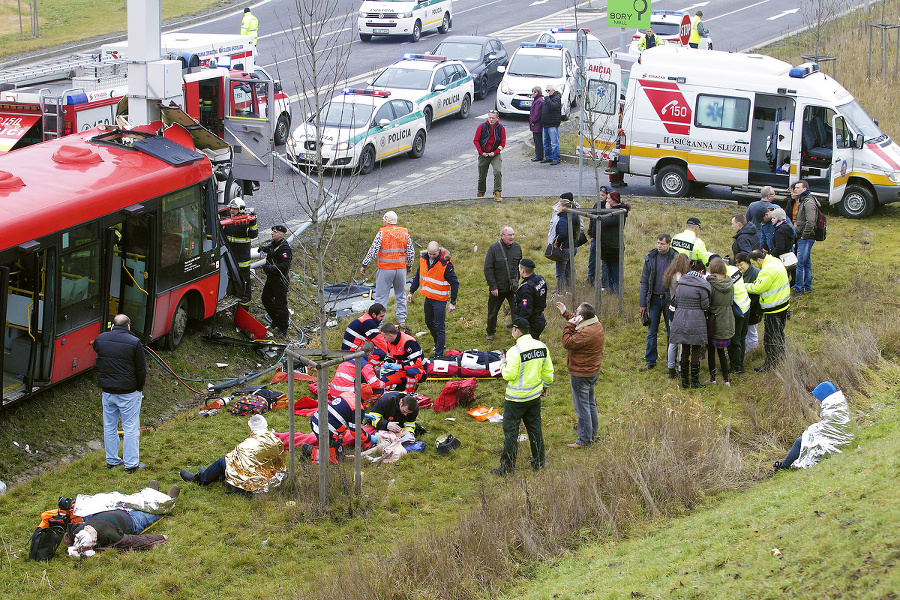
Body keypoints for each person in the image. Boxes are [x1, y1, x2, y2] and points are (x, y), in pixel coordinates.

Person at [492, 318, 554, 475]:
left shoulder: (514, 351)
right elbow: (548, 373)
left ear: (517, 330)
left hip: (515, 401)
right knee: (535, 431)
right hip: (534, 398)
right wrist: (545, 387)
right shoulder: (542, 346)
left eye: (512, 329)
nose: (511, 331)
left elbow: (509, 375)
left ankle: (507, 469)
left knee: (511, 433)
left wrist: (502, 364)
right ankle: (539, 463)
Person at [92, 314, 146, 473]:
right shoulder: (134, 342)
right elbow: (141, 369)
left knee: (109, 426)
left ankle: (112, 460)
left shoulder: (101, 339)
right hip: (128, 392)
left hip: (107, 391)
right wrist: (139, 388)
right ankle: (131, 464)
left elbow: (97, 349)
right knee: (130, 427)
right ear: (128, 326)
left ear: (112, 326)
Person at [180, 415, 285, 496]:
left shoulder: (248, 443)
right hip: (270, 485)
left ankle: (201, 479)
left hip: (245, 488)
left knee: (222, 462)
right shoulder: (276, 441)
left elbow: (231, 461)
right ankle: (218, 476)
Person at [65, 482, 179, 555]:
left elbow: (68, 532)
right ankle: (168, 500)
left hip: (113, 509)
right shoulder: (109, 534)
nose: (88, 528)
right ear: (95, 538)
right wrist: (159, 537)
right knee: (151, 513)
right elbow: (134, 542)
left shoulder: (77, 530)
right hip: (133, 521)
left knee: (132, 501)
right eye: (91, 532)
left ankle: (151, 493)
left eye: (86, 529)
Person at [773, 381, 856, 472]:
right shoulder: (840, 406)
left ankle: (784, 467)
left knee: (800, 441)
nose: (817, 401)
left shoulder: (831, 411)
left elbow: (825, 430)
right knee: (806, 438)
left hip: (838, 444)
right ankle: (786, 464)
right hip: (848, 441)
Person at [556, 302, 604, 449]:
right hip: (591, 372)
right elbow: (579, 321)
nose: (574, 315)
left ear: (582, 317)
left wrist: (569, 325)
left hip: (581, 374)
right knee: (590, 405)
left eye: (576, 312)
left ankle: (584, 440)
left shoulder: (584, 334)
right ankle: (592, 434)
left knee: (582, 408)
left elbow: (566, 342)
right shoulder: (595, 324)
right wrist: (566, 313)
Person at [360, 211, 415, 329]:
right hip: (400, 269)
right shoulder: (404, 233)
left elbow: (373, 251)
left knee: (381, 297)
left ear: (386, 221)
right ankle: (402, 321)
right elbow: (410, 252)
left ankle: (378, 322)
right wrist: (409, 266)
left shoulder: (382, 233)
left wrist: (365, 265)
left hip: (385, 269)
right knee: (401, 295)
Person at [407, 241, 459, 356]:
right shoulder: (423, 260)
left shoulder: (446, 264)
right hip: (429, 298)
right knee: (429, 322)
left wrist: (453, 302)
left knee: (440, 326)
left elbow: (455, 283)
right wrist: (411, 291)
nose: (431, 256)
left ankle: (439, 354)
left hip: (440, 300)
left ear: (439, 251)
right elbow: (418, 276)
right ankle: (439, 344)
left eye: (434, 254)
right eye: (430, 254)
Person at [746, 249, 791, 372]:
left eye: (754, 263)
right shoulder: (775, 261)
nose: (754, 266)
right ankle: (781, 359)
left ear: (759, 260)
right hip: (783, 305)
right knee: (779, 334)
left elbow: (756, 288)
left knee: (770, 339)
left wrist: (744, 286)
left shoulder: (767, 271)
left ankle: (771, 365)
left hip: (773, 309)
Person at [669, 259, 711, 389]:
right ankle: (694, 381)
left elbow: (676, 300)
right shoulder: (702, 285)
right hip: (696, 319)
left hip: (680, 317)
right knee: (696, 351)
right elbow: (705, 305)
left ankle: (684, 381)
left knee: (685, 349)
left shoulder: (681, 283)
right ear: (701, 271)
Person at [639, 233, 677, 371]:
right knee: (651, 332)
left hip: (669, 301)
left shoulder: (675, 258)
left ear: (669, 244)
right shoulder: (651, 258)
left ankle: (671, 361)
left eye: (662, 243)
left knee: (671, 332)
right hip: (654, 299)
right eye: (658, 243)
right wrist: (642, 303)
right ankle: (650, 360)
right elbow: (644, 281)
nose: (659, 246)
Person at [484, 225, 522, 341]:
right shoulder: (493, 248)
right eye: (509, 235)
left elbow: (520, 266)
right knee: (493, 312)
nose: (512, 237)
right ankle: (490, 332)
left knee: (516, 311)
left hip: (513, 288)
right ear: (502, 236)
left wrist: (518, 281)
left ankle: (516, 332)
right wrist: (493, 286)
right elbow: (488, 268)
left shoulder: (517, 247)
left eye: (513, 234)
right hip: (498, 288)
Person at [221, 198, 257, 306]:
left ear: (241, 209)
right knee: (231, 282)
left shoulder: (245, 222)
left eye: (234, 209)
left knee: (244, 283)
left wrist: (253, 222)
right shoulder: (228, 222)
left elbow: (253, 234)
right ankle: (233, 303)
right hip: (230, 258)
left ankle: (245, 305)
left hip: (242, 261)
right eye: (231, 208)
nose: (232, 210)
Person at [705, 257, 735, 386]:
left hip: (714, 319)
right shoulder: (730, 282)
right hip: (727, 318)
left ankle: (713, 378)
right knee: (722, 351)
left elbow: (708, 302)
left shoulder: (710, 283)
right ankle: (726, 379)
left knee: (712, 350)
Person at [259, 224, 292, 338]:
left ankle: (283, 328)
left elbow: (285, 265)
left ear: (282, 234)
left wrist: (271, 268)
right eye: (272, 231)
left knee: (280, 304)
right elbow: (270, 249)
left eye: (275, 232)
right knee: (266, 299)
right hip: (271, 279)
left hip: (280, 280)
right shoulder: (274, 244)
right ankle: (276, 320)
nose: (272, 233)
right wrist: (263, 249)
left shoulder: (284, 248)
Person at [662, 253, 691, 379]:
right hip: (683, 309)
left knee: (673, 341)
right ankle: (681, 367)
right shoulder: (686, 277)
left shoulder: (670, 275)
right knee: (683, 341)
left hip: (672, 309)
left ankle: (670, 368)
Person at [378, 322, 426, 394]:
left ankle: (409, 393)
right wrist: (387, 362)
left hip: (419, 370)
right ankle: (404, 387)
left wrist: (400, 366)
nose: (384, 339)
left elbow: (417, 363)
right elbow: (390, 356)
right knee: (383, 382)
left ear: (391, 335)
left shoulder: (408, 342)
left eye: (385, 337)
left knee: (411, 373)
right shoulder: (390, 342)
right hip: (401, 370)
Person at [598, 190, 630, 294]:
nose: (606, 200)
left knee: (615, 271)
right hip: (607, 246)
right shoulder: (614, 211)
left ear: (614, 200)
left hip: (614, 247)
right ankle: (611, 290)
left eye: (608, 198)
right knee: (609, 270)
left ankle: (616, 291)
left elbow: (605, 222)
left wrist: (607, 210)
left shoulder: (619, 212)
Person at [791, 180, 818, 295]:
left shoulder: (808, 202)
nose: (795, 189)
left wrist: (803, 235)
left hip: (806, 238)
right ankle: (807, 286)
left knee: (800, 263)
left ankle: (798, 287)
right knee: (807, 262)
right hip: (804, 237)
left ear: (805, 188)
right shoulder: (804, 201)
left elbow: (811, 222)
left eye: (798, 188)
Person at [473, 110, 506, 201]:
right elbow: (476, 140)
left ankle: (497, 192)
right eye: (489, 117)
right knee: (482, 174)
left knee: (497, 171)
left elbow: (503, 143)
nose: (491, 120)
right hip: (483, 154)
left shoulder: (501, 128)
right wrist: (481, 152)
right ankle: (481, 191)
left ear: (497, 119)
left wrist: (495, 152)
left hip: (495, 154)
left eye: (493, 118)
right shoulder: (481, 127)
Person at [726, 259, 751, 375]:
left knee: (735, 339)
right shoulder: (734, 270)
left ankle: (736, 367)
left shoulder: (725, 276)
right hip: (746, 306)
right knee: (742, 337)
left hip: (737, 311)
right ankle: (740, 363)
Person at [734, 252, 763, 354]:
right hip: (744, 307)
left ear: (748, 262)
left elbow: (760, 292)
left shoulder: (757, 273)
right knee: (744, 330)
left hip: (754, 307)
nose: (739, 267)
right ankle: (745, 350)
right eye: (737, 265)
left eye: (741, 264)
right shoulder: (738, 273)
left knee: (752, 330)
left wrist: (759, 310)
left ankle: (752, 351)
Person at [553, 193, 581, 293]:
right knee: (568, 271)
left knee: (560, 273)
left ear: (564, 207)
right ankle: (570, 290)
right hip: (572, 247)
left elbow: (563, 234)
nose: (557, 207)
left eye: (559, 206)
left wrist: (556, 242)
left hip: (564, 248)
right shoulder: (574, 217)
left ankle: (560, 292)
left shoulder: (563, 219)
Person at [516, 258, 548, 340]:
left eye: (519, 268)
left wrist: (519, 325)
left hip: (532, 322)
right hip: (540, 317)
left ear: (523, 270)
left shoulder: (526, 288)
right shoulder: (540, 279)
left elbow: (526, 309)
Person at [586, 186, 608, 287]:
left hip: (604, 239)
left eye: (603, 195)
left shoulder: (608, 207)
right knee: (592, 261)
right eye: (599, 195)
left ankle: (604, 283)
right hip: (595, 238)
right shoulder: (596, 205)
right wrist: (591, 234)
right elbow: (592, 219)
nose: (601, 197)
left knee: (605, 263)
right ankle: (590, 281)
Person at [540, 85, 562, 165]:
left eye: (548, 90)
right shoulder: (547, 99)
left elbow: (553, 106)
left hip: (552, 123)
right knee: (546, 142)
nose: (547, 92)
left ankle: (556, 158)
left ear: (553, 90)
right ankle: (548, 157)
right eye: (546, 90)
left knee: (554, 143)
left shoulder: (556, 98)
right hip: (545, 123)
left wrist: (547, 98)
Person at [528, 86, 544, 162]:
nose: (533, 94)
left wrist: (533, 121)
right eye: (533, 92)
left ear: (538, 92)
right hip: (536, 124)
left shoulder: (538, 101)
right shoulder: (537, 100)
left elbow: (537, 113)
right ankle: (538, 155)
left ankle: (539, 155)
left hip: (537, 124)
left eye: (535, 92)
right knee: (536, 139)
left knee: (538, 140)